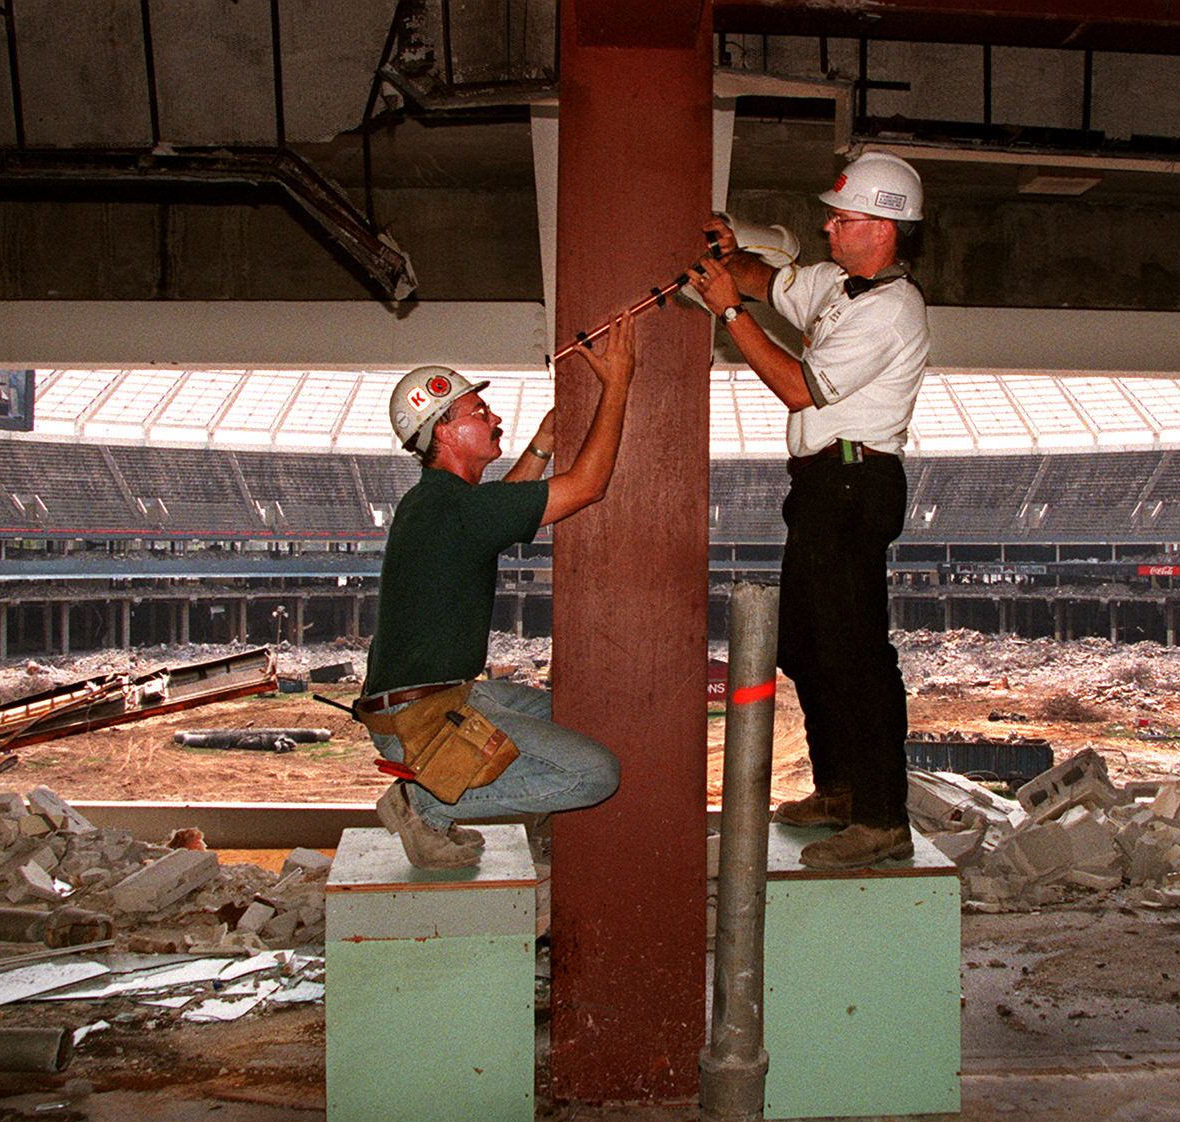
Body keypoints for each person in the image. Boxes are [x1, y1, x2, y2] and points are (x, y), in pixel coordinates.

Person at [687, 150, 930, 870]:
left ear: (883, 229)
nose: (827, 226)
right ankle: (844, 790)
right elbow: (776, 282)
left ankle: (883, 819)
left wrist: (728, 309)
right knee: (807, 645)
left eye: (844, 218)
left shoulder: (890, 311)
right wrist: (736, 260)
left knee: (857, 654)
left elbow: (798, 387)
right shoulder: (840, 285)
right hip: (825, 487)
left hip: (856, 485)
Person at [352, 314, 638, 869]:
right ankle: (424, 804)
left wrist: (541, 445)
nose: (494, 418)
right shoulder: (450, 506)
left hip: (447, 697)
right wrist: (618, 383)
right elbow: (589, 487)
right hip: (422, 720)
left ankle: (443, 799)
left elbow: (499, 509)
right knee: (595, 774)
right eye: (478, 413)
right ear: (444, 432)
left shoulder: (439, 503)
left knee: (573, 711)